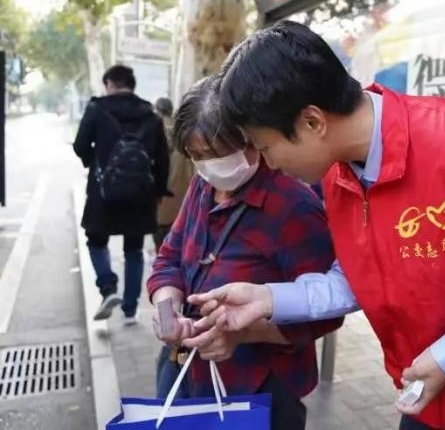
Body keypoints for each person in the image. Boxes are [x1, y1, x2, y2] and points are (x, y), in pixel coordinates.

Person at [187, 21, 445, 430]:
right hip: (426, 398)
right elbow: (358, 276)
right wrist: (269, 299)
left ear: (312, 122)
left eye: (267, 147)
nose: (270, 164)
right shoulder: (339, 173)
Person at [147, 76, 343, 430]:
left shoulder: (293, 205)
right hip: (185, 370)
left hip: (257, 384)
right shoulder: (203, 186)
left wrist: (244, 333)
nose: (209, 166)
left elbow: (325, 314)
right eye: (197, 156)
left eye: (218, 154)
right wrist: (167, 310)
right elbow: (169, 257)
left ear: (250, 139)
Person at [73, 65, 170, 325]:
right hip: (141, 193)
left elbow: (80, 145)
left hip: (103, 191)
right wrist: (160, 190)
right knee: (134, 249)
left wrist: (94, 161)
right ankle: (130, 310)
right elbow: (162, 157)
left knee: (95, 240)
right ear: (131, 84)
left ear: (110, 83)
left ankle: (108, 288)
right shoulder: (151, 114)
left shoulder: (97, 109)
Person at [153, 97, 194, 251]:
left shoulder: (154, 129)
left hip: (161, 199)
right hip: (183, 200)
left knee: (162, 246)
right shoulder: (182, 131)